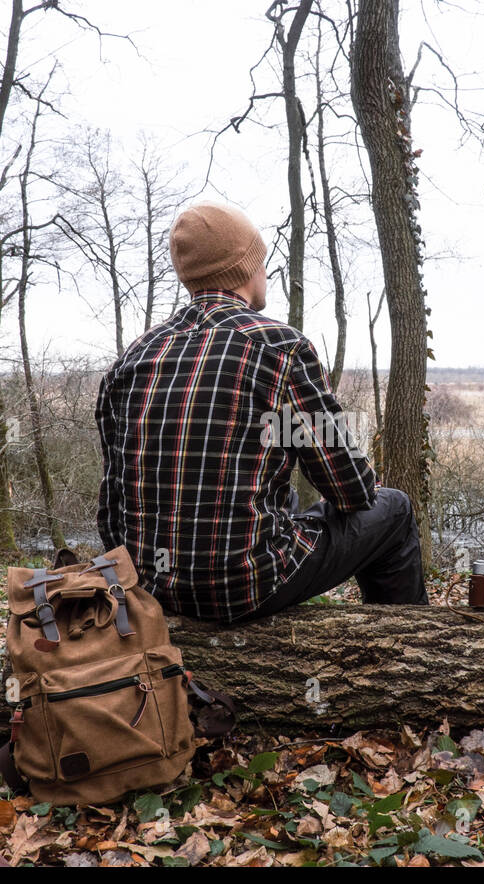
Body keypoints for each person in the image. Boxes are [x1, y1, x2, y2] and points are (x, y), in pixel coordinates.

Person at [95, 200, 428, 623]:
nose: (265, 273)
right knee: (394, 508)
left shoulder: (133, 358)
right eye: (262, 262)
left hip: (150, 586)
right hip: (242, 586)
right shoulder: (278, 349)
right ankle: (402, 644)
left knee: (282, 500)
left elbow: (112, 504)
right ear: (245, 269)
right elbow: (351, 489)